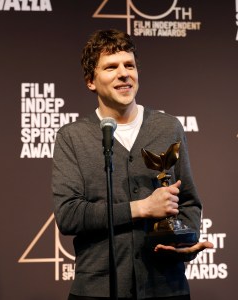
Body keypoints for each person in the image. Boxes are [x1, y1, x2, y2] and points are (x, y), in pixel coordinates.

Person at [52, 29, 213, 300]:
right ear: (91, 81)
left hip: (165, 286)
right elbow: (68, 215)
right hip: (97, 290)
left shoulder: (168, 127)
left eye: (129, 65)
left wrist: (184, 241)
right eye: (111, 67)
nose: (124, 73)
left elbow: (188, 201)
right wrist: (140, 209)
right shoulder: (72, 137)